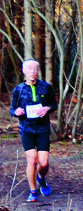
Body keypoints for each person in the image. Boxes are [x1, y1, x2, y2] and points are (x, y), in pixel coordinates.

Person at [10, 59, 57, 202]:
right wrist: (16, 112)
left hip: (42, 129)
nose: (33, 71)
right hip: (26, 129)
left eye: (35, 69)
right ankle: (33, 191)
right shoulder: (18, 90)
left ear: (38, 71)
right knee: (32, 160)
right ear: (24, 71)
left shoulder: (46, 87)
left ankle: (41, 179)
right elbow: (12, 109)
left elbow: (53, 105)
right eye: (29, 68)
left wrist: (47, 108)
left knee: (43, 163)